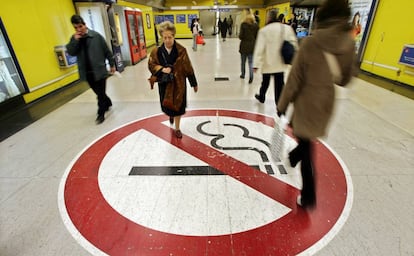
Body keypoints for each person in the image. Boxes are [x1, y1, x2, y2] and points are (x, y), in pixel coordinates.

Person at [276, 0, 355, 209]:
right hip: (326, 102)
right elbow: (344, 80)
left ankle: (309, 195)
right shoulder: (349, 43)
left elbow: (295, 78)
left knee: (307, 147)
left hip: (306, 100)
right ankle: (293, 157)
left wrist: (282, 104)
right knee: (306, 140)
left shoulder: (311, 43)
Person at [148, 21, 199, 138]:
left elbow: (188, 68)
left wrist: (194, 83)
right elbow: (151, 64)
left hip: (179, 84)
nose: (167, 40)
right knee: (168, 106)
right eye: (164, 37)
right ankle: (170, 115)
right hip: (164, 84)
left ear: (174, 36)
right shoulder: (157, 51)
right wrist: (161, 69)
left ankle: (177, 128)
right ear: (162, 37)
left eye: (169, 37)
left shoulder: (182, 50)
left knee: (179, 107)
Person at [66, 14, 115, 124]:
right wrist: (74, 41)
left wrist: (112, 64)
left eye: (80, 26)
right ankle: (108, 102)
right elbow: (71, 52)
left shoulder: (96, 36)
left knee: (100, 94)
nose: (79, 30)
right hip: (87, 73)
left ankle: (100, 114)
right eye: (76, 28)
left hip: (99, 70)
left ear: (85, 25)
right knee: (99, 93)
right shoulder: (75, 39)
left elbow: (107, 51)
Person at [253, 10, 298, 105]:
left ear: (269, 18)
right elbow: (294, 43)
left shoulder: (264, 31)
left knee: (265, 82)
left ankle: (262, 96)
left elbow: (259, 48)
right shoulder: (286, 28)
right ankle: (280, 105)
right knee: (279, 84)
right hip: (280, 62)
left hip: (268, 62)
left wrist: (256, 64)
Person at [238, 14, 259, 84]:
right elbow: (257, 36)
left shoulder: (243, 25)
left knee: (243, 62)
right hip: (252, 46)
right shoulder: (256, 26)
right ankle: (251, 76)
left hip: (244, 46)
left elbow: (241, 36)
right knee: (251, 62)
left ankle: (243, 74)